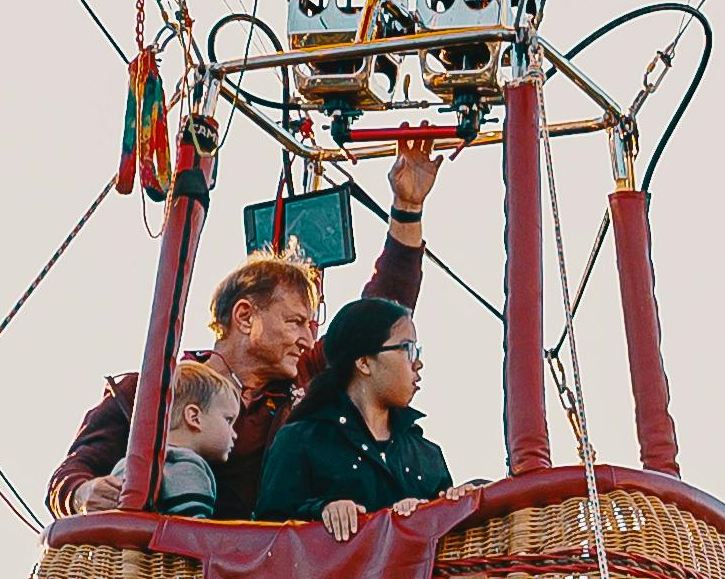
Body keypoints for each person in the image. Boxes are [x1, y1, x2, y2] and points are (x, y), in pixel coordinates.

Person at [47, 139, 446, 517]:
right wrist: (86, 493)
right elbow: (69, 478)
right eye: (295, 322)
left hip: (257, 572)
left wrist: (407, 208)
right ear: (244, 317)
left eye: (311, 325)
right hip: (170, 574)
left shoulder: (301, 388)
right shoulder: (150, 390)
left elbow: (376, 319)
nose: (308, 338)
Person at [252, 297, 457, 537]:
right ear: (364, 362)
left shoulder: (427, 454)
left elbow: (453, 541)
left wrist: (459, 501)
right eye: (408, 349)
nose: (418, 363)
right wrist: (320, 510)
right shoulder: (299, 441)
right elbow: (267, 535)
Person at [150, 360, 239, 518]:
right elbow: (192, 532)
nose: (234, 434)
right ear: (194, 417)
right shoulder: (186, 465)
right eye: (228, 420)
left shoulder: (133, 464)